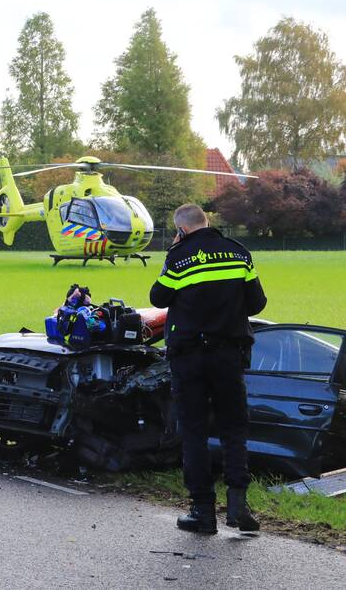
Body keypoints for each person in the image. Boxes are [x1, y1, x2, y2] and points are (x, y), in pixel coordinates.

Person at [150, 203, 267, 535]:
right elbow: (258, 303)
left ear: (182, 230)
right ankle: (238, 506)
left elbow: (158, 297)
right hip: (229, 355)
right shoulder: (238, 253)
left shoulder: (179, 257)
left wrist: (174, 253)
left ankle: (202, 513)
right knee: (234, 429)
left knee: (194, 432)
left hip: (189, 358)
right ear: (207, 222)